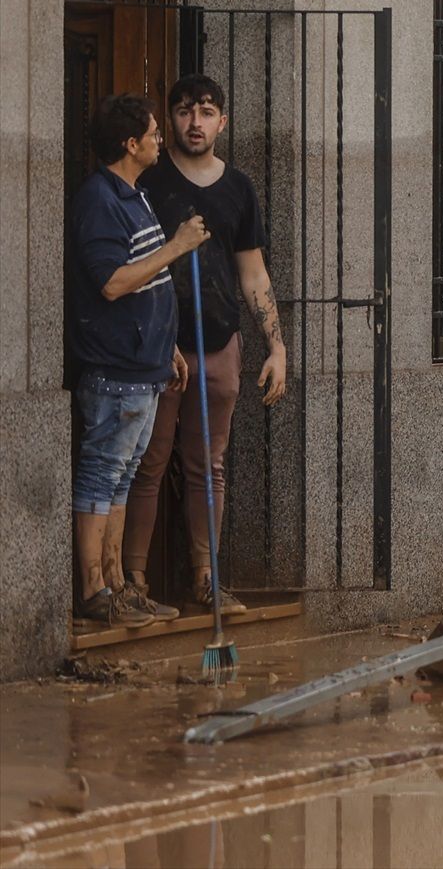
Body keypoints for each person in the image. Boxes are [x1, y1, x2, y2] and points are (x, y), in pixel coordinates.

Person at [125, 75, 288, 616]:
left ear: (223, 121)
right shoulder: (150, 183)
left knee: (209, 466)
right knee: (148, 461)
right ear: (169, 119)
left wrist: (276, 346)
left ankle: (206, 578)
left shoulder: (239, 189)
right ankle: (134, 582)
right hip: (159, 347)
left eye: (207, 112)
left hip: (219, 345)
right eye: (184, 111)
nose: (195, 122)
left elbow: (254, 275)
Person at [67, 94, 207, 628]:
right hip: (114, 372)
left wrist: (166, 345)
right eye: (152, 133)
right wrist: (177, 246)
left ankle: (118, 585)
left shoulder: (134, 195)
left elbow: (146, 279)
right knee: (103, 473)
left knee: (122, 475)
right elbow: (112, 283)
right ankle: (93, 590)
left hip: (144, 367)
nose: (159, 139)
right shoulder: (100, 199)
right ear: (131, 144)